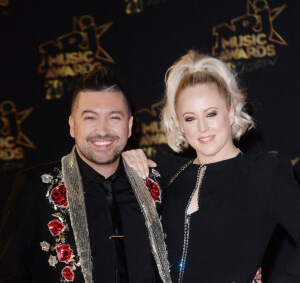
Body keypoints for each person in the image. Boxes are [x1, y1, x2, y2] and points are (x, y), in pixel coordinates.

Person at [122, 50, 300, 283]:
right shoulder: (164, 172)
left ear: (230, 111)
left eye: (211, 113)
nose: (203, 128)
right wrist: (122, 160)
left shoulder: (265, 173)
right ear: (179, 123)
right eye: (190, 118)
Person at [0, 67, 171, 283]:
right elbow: (9, 274)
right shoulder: (37, 187)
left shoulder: (154, 182)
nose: (102, 130)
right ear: (72, 125)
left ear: (129, 126)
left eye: (114, 118)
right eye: (90, 118)